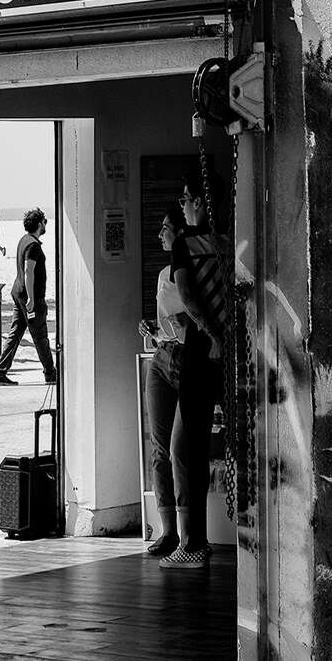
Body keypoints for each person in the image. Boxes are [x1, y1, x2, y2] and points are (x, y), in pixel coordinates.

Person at [162, 165, 231, 572]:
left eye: (185, 199)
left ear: (200, 202)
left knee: (187, 447)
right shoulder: (228, 240)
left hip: (201, 351)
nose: (183, 206)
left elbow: (188, 295)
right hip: (233, 349)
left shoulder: (185, 243)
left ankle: (192, 543)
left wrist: (210, 333)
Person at [140, 205, 189, 555]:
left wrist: (184, 322)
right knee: (159, 448)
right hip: (162, 354)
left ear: (181, 233)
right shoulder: (162, 275)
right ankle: (167, 531)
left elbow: (198, 318)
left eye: (165, 228)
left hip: (187, 357)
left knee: (179, 449)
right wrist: (152, 328)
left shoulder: (192, 273)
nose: (160, 234)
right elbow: (165, 322)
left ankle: (189, 534)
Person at [0, 206, 57, 386]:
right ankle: (50, 373)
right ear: (39, 224)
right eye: (44, 221)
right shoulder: (33, 246)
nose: (45, 224)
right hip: (29, 297)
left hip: (18, 292)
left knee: (15, 333)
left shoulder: (24, 240)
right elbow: (29, 270)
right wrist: (32, 298)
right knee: (40, 334)